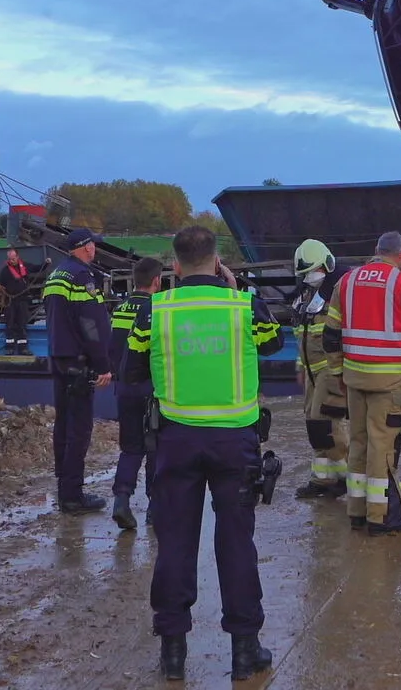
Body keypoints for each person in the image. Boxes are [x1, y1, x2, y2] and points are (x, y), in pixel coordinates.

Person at [120, 225, 283, 682]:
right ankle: (245, 650)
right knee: (236, 544)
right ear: (217, 262)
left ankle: (173, 652)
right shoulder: (245, 306)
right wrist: (232, 289)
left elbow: (131, 370)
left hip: (176, 440)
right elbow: (273, 344)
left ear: (174, 266)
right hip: (235, 441)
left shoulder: (156, 310)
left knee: (175, 543)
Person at [322, 230, 401, 537]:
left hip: (354, 377)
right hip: (388, 381)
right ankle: (382, 518)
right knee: (383, 449)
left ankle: (357, 512)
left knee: (358, 444)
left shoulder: (346, 281)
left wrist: (338, 374)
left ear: (375, 250)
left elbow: (330, 335)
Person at [42, 226, 114, 513]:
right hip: (79, 363)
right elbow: (91, 325)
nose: (95, 249)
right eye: (93, 245)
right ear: (86, 248)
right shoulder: (82, 277)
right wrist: (103, 364)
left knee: (63, 424)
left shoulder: (55, 276)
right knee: (79, 429)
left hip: (59, 358)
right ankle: (72, 495)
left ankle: (64, 487)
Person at [287, 238, 349, 500]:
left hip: (330, 368)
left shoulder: (338, 294)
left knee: (325, 422)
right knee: (313, 424)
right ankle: (323, 478)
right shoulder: (305, 295)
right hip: (313, 370)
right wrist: (301, 365)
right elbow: (301, 332)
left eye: (312, 271)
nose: (309, 277)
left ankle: (349, 475)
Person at [107, 256, 164, 530]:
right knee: (155, 448)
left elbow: (113, 349)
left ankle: (121, 499)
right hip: (151, 389)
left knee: (130, 449)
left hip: (125, 389)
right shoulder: (159, 309)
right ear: (157, 281)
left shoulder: (120, 309)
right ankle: (155, 507)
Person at [0, 247, 37, 355]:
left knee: (22, 324)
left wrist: (46, 263)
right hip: (10, 302)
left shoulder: (26, 266)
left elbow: (37, 268)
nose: (11, 261)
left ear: (17, 257)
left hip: (23, 300)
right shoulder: (5, 271)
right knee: (10, 324)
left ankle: (23, 348)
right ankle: (9, 347)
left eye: (13, 258)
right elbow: (0, 284)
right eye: (9, 259)